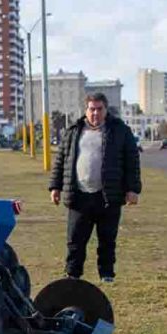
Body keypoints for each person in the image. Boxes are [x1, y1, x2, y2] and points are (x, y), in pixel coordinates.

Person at [48, 93, 142, 283]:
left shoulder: (120, 131)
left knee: (107, 240)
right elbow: (61, 161)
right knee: (75, 240)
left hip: (108, 196)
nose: (95, 113)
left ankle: (107, 275)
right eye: (92, 109)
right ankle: (72, 274)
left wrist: (133, 189)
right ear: (86, 110)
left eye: (99, 109)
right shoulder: (74, 131)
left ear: (106, 110)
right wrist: (55, 187)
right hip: (79, 195)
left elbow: (132, 161)